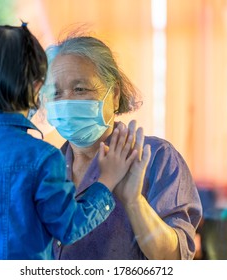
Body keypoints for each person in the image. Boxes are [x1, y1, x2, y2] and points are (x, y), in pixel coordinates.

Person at [0, 24, 150, 260]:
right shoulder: (42, 158)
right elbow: (68, 228)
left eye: (79, 89)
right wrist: (106, 181)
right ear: (36, 86)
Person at [41, 34, 203, 260]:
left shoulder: (155, 158)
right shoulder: (47, 166)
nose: (66, 101)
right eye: (56, 93)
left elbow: (175, 259)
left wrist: (134, 202)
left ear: (114, 94)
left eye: (80, 89)